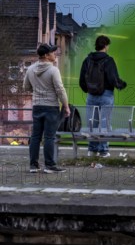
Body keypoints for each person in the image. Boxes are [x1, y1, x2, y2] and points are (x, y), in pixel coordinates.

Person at [23, 43, 70, 174]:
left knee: (35, 136)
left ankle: (33, 165)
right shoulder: (54, 70)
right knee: (49, 137)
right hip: (51, 107)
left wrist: (37, 90)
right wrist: (66, 106)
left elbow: (26, 87)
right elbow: (60, 90)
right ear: (46, 55)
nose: (54, 54)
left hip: (37, 106)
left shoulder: (30, 69)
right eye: (52, 52)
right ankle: (49, 166)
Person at [79, 35, 127, 158]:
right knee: (105, 123)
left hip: (91, 96)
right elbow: (113, 79)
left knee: (92, 123)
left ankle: (92, 149)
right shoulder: (108, 60)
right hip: (106, 95)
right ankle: (103, 150)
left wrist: (89, 90)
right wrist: (121, 85)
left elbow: (81, 80)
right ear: (105, 46)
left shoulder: (87, 60)